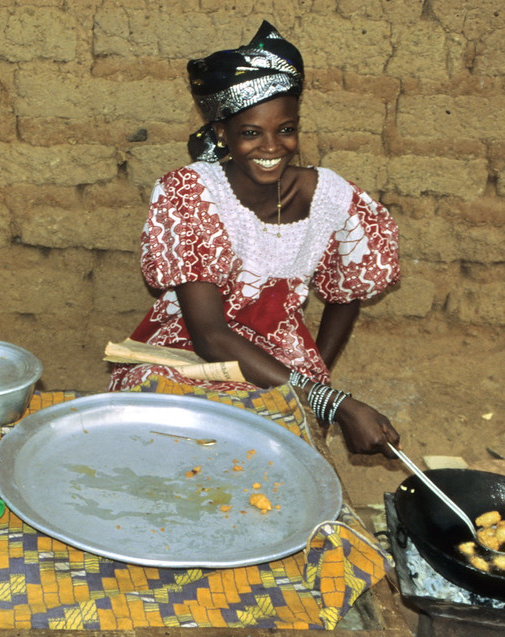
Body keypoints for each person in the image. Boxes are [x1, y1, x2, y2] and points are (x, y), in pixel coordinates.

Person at [108, 21, 402, 456]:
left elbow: (348, 290)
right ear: (222, 133)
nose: (272, 146)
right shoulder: (191, 194)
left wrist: (313, 377)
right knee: (169, 442)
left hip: (281, 358)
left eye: (285, 129)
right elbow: (209, 334)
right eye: (251, 133)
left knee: (280, 459)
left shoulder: (331, 197)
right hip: (188, 351)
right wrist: (331, 402)